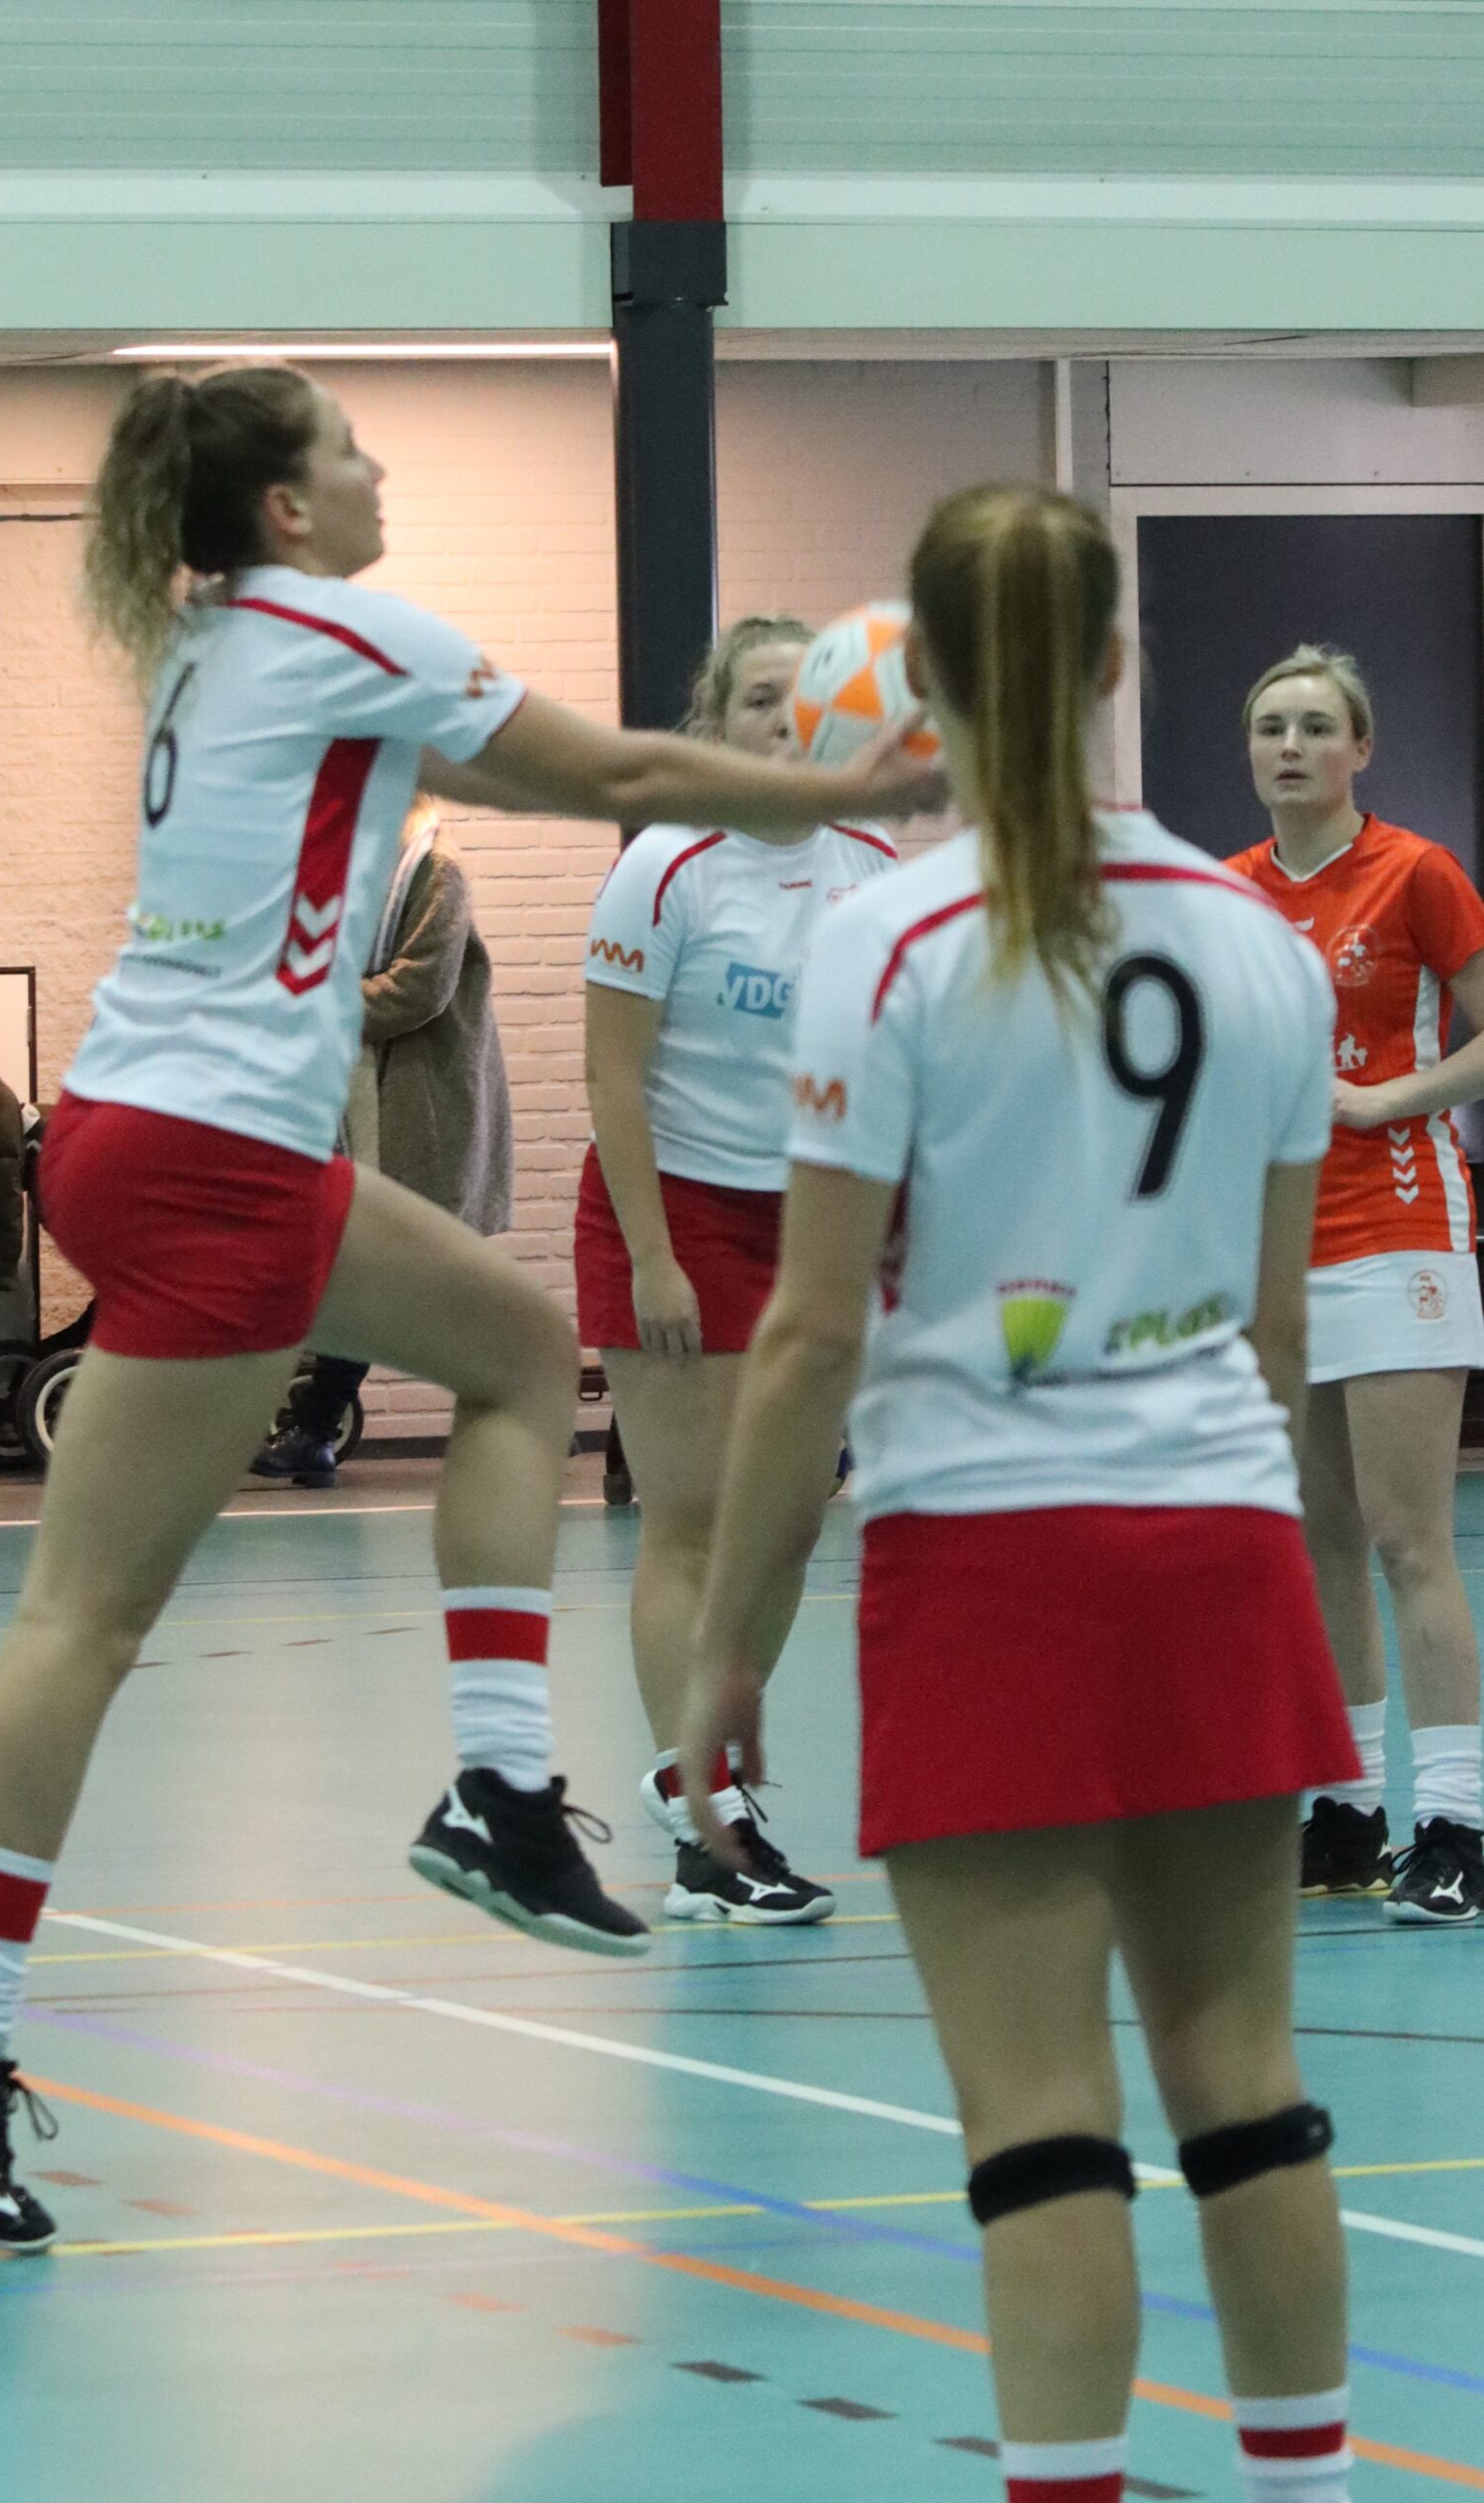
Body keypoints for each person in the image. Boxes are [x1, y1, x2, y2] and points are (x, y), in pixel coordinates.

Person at [0, 362, 941, 2253]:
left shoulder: (217, 640)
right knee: (83, 1623)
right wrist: (841, 787)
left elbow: (506, 772)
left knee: (520, 1354)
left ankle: (497, 1786)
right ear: (286, 507)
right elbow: (618, 774)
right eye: (347, 451)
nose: (376, 468)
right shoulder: (348, 630)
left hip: (146, 1127)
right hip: (216, 1160)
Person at [681, 486, 1358, 2503]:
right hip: (1220, 1537)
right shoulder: (1257, 940)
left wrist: (724, 1645)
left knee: (1040, 2121)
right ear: (1117, 664)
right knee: (1247, 2090)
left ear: (924, 677)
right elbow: (1273, 1325)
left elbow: (809, 1336)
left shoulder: (884, 933)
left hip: (985, 1553)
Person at [580, 614, 898, 1924]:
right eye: (759, 698)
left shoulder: (873, 866)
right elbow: (611, 1075)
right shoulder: (666, 867)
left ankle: (705, 1787)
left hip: (814, 1221)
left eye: (803, 698)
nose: (783, 719)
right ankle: (705, 1817)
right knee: (697, 1521)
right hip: (676, 1212)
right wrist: (654, 1256)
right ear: (716, 721)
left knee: (785, 1522)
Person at [1228, 649, 1484, 1922]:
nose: (1289, 745)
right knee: (1316, 1535)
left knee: (1404, 1536)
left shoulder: (1415, 872)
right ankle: (1340, 1812)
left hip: (1397, 1229)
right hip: (1276, 1244)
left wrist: (1390, 1097)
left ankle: (1455, 1822)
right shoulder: (1221, 894)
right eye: (1270, 726)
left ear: (1358, 748)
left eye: (1314, 726)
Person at [253, 799, 513, 1484]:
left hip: (422, 1099)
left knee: (394, 1267)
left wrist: (313, 1008)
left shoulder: (434, 869)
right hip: (366, 1094)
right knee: (391, 1267)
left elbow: (421, 989)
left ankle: (319, 1427)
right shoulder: (356, 867)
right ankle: (320, 1427)